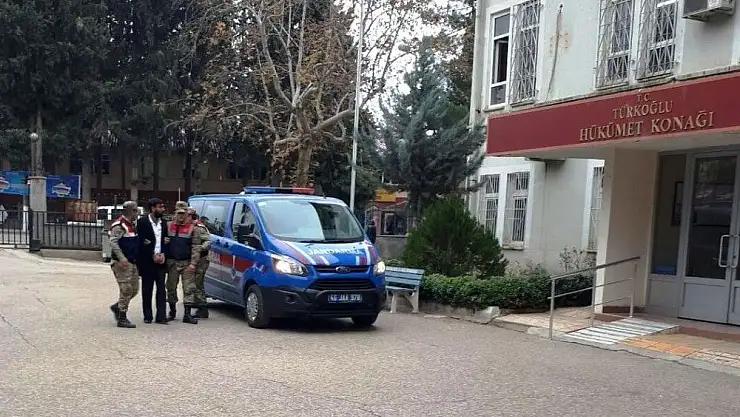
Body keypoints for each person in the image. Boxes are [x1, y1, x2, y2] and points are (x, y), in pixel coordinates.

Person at [165, 201, 203, 324]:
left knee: (189, 288)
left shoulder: (193, 228)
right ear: (175, 213)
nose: (181, 216)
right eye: (179, 213)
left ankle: (187, 314)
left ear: (187, 213)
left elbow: (196, 247)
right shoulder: (167, 225)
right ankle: (172, 311)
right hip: (172, 263)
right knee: (170, 287)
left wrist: (193, 263)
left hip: (187, 262)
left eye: (183, 213)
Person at [137, 198, 169, 324]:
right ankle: (148, 316)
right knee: (147, 289)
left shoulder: (164, 223)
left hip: (161, 260)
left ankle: (161, 316)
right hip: (147, 261)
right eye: (160, 207)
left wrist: (164, 254)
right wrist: (152, 254)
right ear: (153, 208)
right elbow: (141, 242)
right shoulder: (143, 222)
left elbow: (166, 240)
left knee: (161, 289)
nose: (163, 209)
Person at [108, 201, 140, 329]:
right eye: (135, 210)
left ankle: (117, 307)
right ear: (129, 211)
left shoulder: (132, 225)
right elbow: (113, 243)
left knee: (134, 289)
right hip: (122, 263)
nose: (137, 213)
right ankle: (122, 317)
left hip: (132, 262)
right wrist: (121, 258)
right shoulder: (119, 225)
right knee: (126, 289)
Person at [187, 206, 211, 319]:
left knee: (197, 283)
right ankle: (197, 303)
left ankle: (202, 308)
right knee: (193, 283)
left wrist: (200, 248)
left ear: (191, 216)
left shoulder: (199, 228)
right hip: (192, 258)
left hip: (201, 259)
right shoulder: (187, 226)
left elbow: (208, 241)